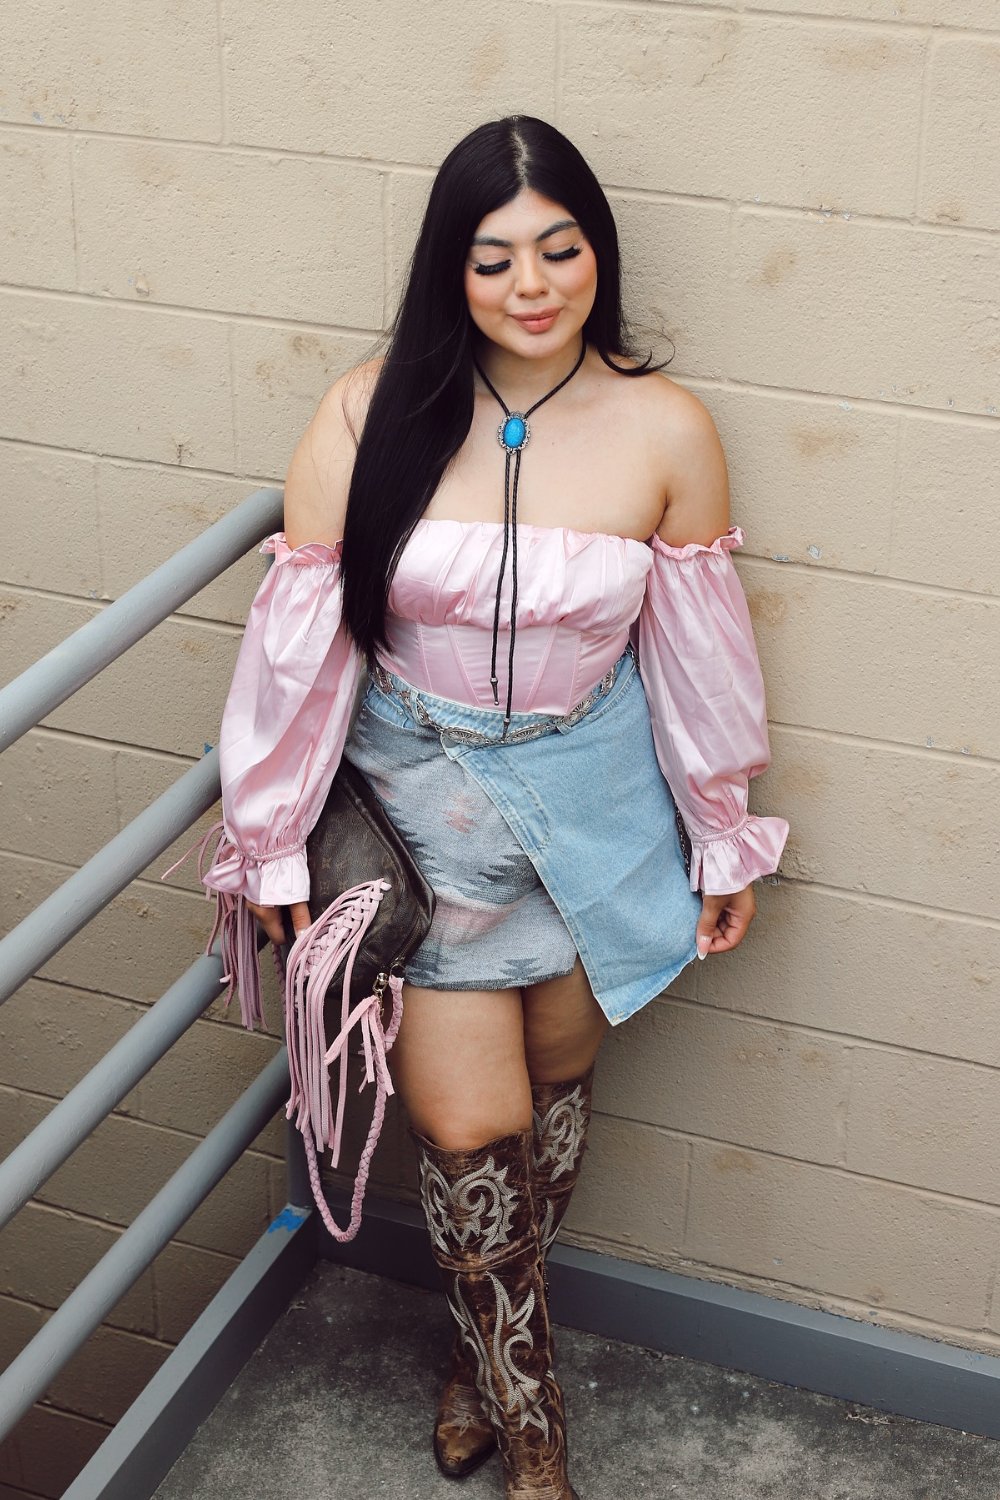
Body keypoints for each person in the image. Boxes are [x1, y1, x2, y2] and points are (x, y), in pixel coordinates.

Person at [196, 116, 789, 1500]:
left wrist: (721, 827)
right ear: (447, 271)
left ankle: (477, 1354)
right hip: (422, 815)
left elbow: (701, 656)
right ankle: (542, 1453)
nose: (534, 284)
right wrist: (273, 838)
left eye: (560, 248)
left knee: (554, 1110)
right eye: (495, 257)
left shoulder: (665, 427)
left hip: (598, 817)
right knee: (468, 1142)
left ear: (598, 251)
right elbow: (301, 649)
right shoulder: (366, 410)